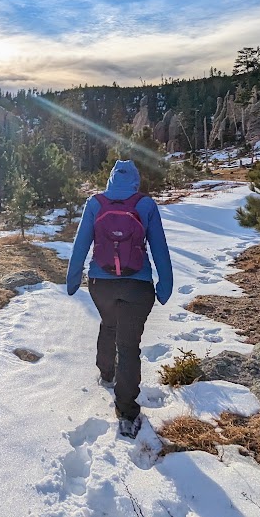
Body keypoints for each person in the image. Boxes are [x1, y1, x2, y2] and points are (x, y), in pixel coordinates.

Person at [66, 159, 173, 439]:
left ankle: (106, 372)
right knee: (128, 346)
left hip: (101, 284)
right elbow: (160, 247)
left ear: (111, 179)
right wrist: (165, 285)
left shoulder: (95, 203)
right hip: (138, 285)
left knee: (108, 323)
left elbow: (81, 243)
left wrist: (73, 279)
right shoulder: (146, 205)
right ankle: (126, 412)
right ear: (136, 181)